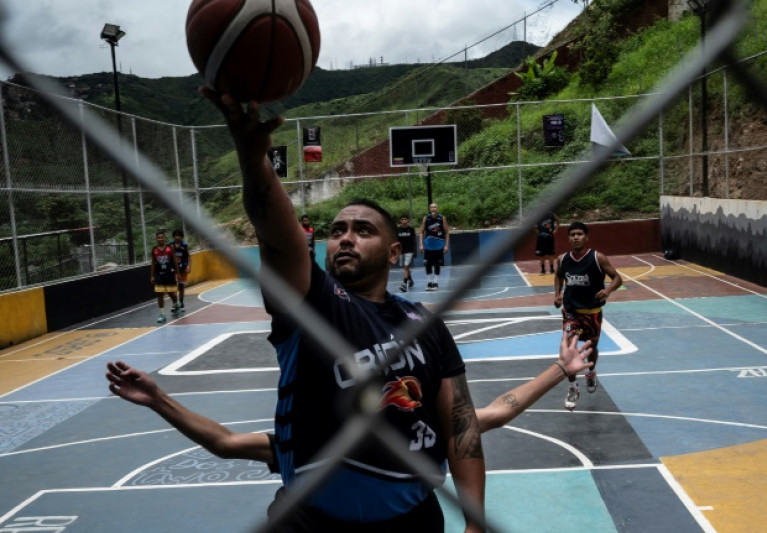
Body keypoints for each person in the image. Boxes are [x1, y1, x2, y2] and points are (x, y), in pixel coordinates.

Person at [199, 87, 483, 531]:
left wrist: (475, 522)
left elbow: (460, 424)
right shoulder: (312, 303)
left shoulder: (424, 322)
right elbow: (279, 236)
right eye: (337, 230)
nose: (345, 237)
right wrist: (252, 159)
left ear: (393, 254)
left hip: (413, 521)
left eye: (362, 230)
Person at [104, 332, 593, 467]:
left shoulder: (423, 433)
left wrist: (559, 369)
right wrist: (158, 399)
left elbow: (499, 410)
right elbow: (227, 442)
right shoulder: (320, 441)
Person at [554, 221, 622, 411]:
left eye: (579, 234)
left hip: (592, 312)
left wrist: (608, 290)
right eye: (572, 234)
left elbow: (617, 278)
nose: (575, 237)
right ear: (568, 238)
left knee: (592, 348)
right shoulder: (562, 259)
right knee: (568, 348)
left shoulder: (597, 257)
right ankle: (573, 387)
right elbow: (558, 276)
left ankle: (591, 371)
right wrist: (557, 294)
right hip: (570, 311)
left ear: (586, 237)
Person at [150, 229, 180, 324]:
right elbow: (153, 264)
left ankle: (176, 303)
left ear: (164, 238)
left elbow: (175, 261)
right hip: (159, 275)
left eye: (162, 237)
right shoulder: (154, 250)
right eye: (158, 238)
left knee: (171, 293)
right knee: (160, 294)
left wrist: (178, 273)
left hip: (169, 273)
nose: (160, 239)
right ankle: (162, 315)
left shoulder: (169, 248)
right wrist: (152, 276)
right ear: (156, 239)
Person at [420, 203, 449, 292]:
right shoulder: (426, 218)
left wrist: (446, 245)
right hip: (428, 245)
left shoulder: (441, 218)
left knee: (437, 264)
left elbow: (447, 232)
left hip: (439, 245)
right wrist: (421, 244)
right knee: (427, 264)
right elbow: (421, 232)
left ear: (437, 208)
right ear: (429, 209)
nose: (433, 209)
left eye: (435, 207)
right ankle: (429, 282)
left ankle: (435, 283)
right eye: (431, 207)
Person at [171, 229, 191, 314]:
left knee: (181, 286)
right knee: (173, 286)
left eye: (179, 235)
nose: (177, 237)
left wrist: (189, 266)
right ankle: (175, 303)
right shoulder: (170, 245)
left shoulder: (184, 245)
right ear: (173, 236)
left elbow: (189, 256)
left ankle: (181, 303)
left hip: (182, 268)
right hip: (174, 269)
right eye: (176, 235)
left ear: (181, 236)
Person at [396, 215, 417, 292]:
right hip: (401, 251)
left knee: (406, 266)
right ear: (400, 220)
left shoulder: (411, 229)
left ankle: (404, 284)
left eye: (405, 219)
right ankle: (410, 280)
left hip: (409, 251)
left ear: (407, 220)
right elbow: (396, 241)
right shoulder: (398, 229)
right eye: (402, 219)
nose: (404, 221)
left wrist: (415, 251)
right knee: (406, 268)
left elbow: (414, 240)